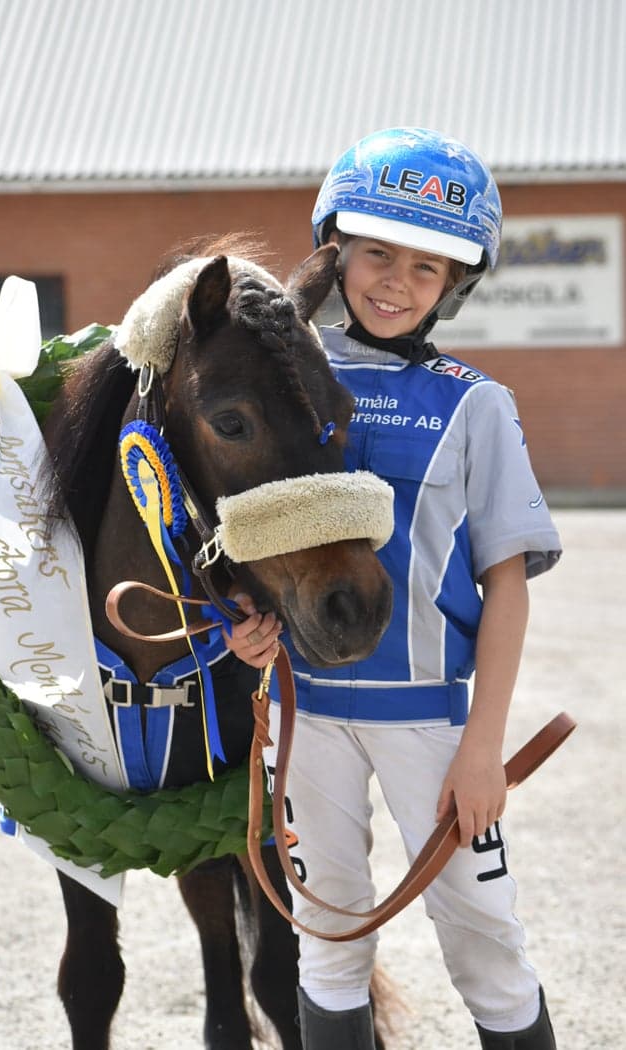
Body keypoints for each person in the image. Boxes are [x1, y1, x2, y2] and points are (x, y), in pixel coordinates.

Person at [225, 127, 562, 1049]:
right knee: (327, 939)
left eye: (426, 267)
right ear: (334, 248)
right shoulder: (283, 378)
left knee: (486, 944)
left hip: (433, 724)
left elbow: (509, 584)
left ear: (456, 285)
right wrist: (245, 627)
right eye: (376, 252)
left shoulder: (477, 404)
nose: (393, 281)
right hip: (304, 713)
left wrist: (484, 746)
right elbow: (248, 539)